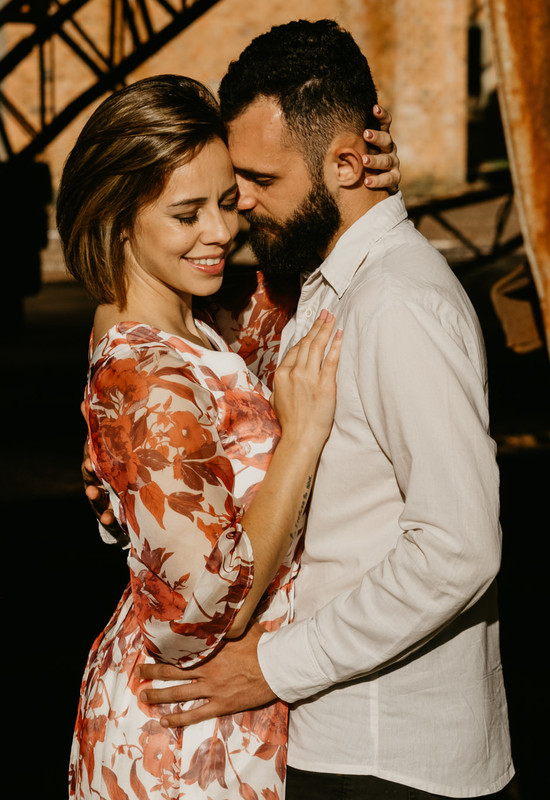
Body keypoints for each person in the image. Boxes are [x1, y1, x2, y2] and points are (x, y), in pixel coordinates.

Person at [139, 20, 514, 800]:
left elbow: (458, 548)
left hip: (388, 756)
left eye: (261, 179)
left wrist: (274, 668)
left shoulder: (397, 305)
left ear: (347, 163)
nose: (242, 203)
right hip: (342, 739)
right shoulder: (325, 281)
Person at [61, 75, 344, 799]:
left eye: (227, 200)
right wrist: (300, 441)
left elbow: (299, 290)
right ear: (119, 218)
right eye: (186, 214)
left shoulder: (195, 321)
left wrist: (353, 175)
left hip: (214, 719)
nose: (219, 231)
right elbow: (197, 614)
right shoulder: (146, 375)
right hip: (183, 739)